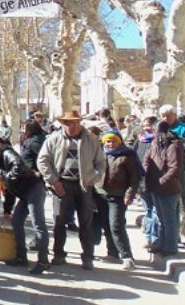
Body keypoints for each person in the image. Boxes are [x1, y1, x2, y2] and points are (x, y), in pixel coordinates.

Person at [37, 110, 106, 271]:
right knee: (59, 221)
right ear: (63, 124)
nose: (72, 126)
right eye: (69, 123)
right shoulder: (54, 139)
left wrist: (93, 178)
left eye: (75, 122)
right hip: (62, 184)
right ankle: (59, 254)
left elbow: (101, 163)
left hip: (84, 185)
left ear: (80, 122)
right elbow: (42, 160)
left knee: (86, 222)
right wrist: (53, 181)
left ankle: (88, 256)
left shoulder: (90, 140)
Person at [0, 136, 50, 275]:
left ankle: (43, 260)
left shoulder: (7, 153)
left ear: (0, 145)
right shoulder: (1, 164)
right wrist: (7, 210)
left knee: (38, 224)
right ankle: (21, 256)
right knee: (16, 221)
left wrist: (8, 178)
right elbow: (9, 191)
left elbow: (18, 165)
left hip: (34, 189)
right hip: (24, 194)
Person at [98, 130, 141, 270]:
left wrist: (130, 194)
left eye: (113, 141)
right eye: (108, 141)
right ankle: (112, 253)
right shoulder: (100, 154)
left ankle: (127, 257)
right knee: (106, 225)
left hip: (119, 196)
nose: (110, 144)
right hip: (101, 194)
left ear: (120, 141)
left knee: (116, 225)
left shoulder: (127, 156)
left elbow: (134, 178)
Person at [144, 121, 184, 268]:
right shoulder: (155, 144)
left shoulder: (174, 146)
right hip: (155, 186)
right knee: (160, 218)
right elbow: (147, 160)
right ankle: (162, 244)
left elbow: (175, 167)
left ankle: (171, 247)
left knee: (169, 219)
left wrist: (162, 180)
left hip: (168, 188)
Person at [159, 104, 185, 249]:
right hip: (168, 171)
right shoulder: (161, 128)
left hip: (184, 170)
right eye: (163, 115)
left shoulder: (183, 128)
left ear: (174, 115)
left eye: (168, 115)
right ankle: (173, 237)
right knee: (171, 206)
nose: (166, 118)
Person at [132, 116, 159, 250]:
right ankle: (150, 238)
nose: (146, 128)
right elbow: (133, 157)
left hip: (156, 180)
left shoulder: (159, 140)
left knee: (155, 210)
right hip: (142, 181)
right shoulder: (140, 141)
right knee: (148, 209)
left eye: (149, 125)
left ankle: (155, 238)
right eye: (144, 126)